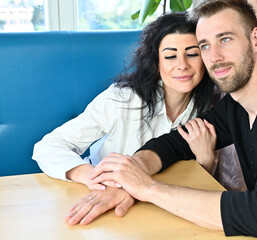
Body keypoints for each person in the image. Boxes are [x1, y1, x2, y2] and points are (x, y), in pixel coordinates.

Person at [78, 0, 257, 239]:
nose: (215, 57)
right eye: (204, 46)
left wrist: (148, 189)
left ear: (256, 39)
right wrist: (132, 175)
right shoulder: (235, 105)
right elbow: (175, 143)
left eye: (225, 39)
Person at [32, 12, 220, 223]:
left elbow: (195, 188)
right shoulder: (122, 99)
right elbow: (48, 146)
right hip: (98, 199)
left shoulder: (211, 108)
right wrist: (95, 177)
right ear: (156, 63)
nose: (183, 64)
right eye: (170, 56)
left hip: (159, 208)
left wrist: (206, 161)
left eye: (192, 54)